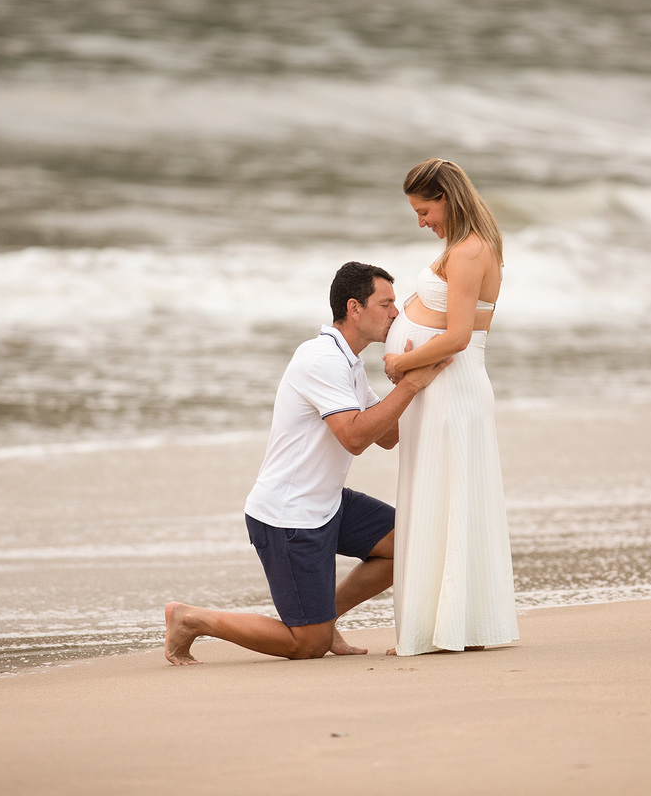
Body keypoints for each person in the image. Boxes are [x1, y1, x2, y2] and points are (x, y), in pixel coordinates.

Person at [165, 262, 451, 665]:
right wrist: (408, 386)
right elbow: (354, 438)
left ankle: (322, 614)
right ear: (355, 308)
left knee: (405, 544)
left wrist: (407, 379)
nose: (395, 314)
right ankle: (191, 619)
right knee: (307, 645)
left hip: (327, 501)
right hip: (288, 516)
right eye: (385, 304)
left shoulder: (348, 362)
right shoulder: (321, 359)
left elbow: (386, 436)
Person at [382, 158, 519, 656]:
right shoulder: (463, 246)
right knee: (438, 494)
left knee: (449, 496)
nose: (421, 222)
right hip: (441, 386)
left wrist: (402, 362)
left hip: (452, 385)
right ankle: (448, 622)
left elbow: (458, 336)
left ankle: (451, 624)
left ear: (446, 197)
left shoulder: (468, 252)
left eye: (424, 210)